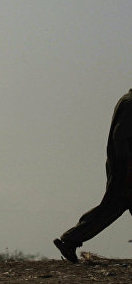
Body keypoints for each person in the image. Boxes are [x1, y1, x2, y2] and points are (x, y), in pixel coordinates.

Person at [54, 89, 132, 263]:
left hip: (123, 168)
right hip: (124, 169)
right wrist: (126, 169)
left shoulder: (127, 101)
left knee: (111, 208)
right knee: (110, 208)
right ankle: (70, 239)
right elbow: (120, 138)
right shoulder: (130, 104)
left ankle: (70, 239)